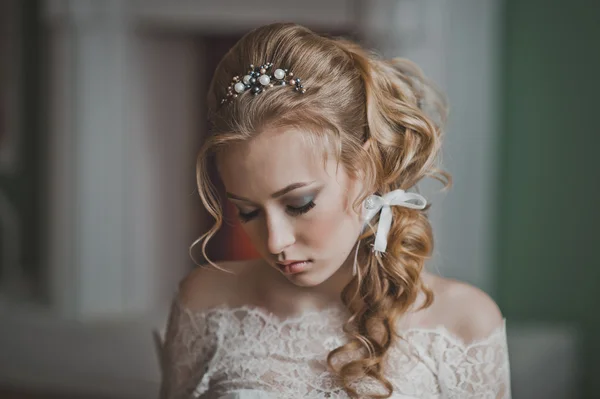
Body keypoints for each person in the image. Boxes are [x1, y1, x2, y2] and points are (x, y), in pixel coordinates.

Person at [159, 23, 511, 399]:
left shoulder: (463, 323)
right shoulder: (206, 303)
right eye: (248, 212)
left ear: (367, 168)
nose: (276, 241)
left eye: (299, 204)